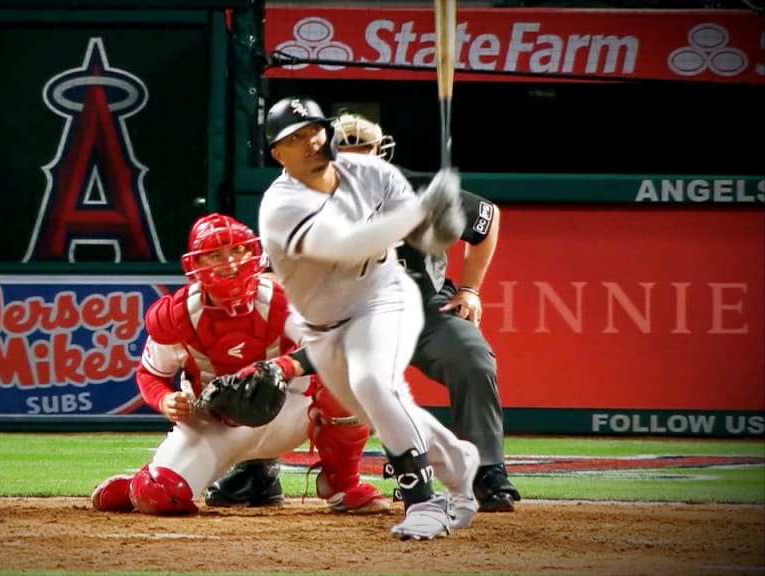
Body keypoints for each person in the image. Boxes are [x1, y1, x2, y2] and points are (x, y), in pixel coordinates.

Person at [256, 95, 480, 541]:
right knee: (387, 408)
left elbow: (423, 238)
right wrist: (422, 208)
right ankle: (457, 460)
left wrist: (441, 222)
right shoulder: (280, 206)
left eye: (316, 129)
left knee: (373, 383)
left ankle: (424, 504)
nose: (312, 141)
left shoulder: (374, 173)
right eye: (296, 138)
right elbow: (347, 244)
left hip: (382, 299)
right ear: (277, 153)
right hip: (322, 326)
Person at [90, 212, 388, 515]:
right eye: (215, 255)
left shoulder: (281, 298)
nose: (230, 264)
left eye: (238, 251)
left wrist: (281, 368)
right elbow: (149, 374)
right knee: (160, 496)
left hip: (290, 409)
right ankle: (133, 488)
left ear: (254, 253)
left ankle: (342, 485)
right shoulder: (176, 316)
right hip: (214, 421)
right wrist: (165, 400)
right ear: (195, 264)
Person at [330, 112, 522, 513]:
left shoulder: (418, 190)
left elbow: (486, 220)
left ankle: (486, 470)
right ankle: (263, 469)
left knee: (471, 356)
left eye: (363, 150)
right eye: (346, 152)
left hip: (424, 309)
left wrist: (469, 289)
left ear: (381, 151)